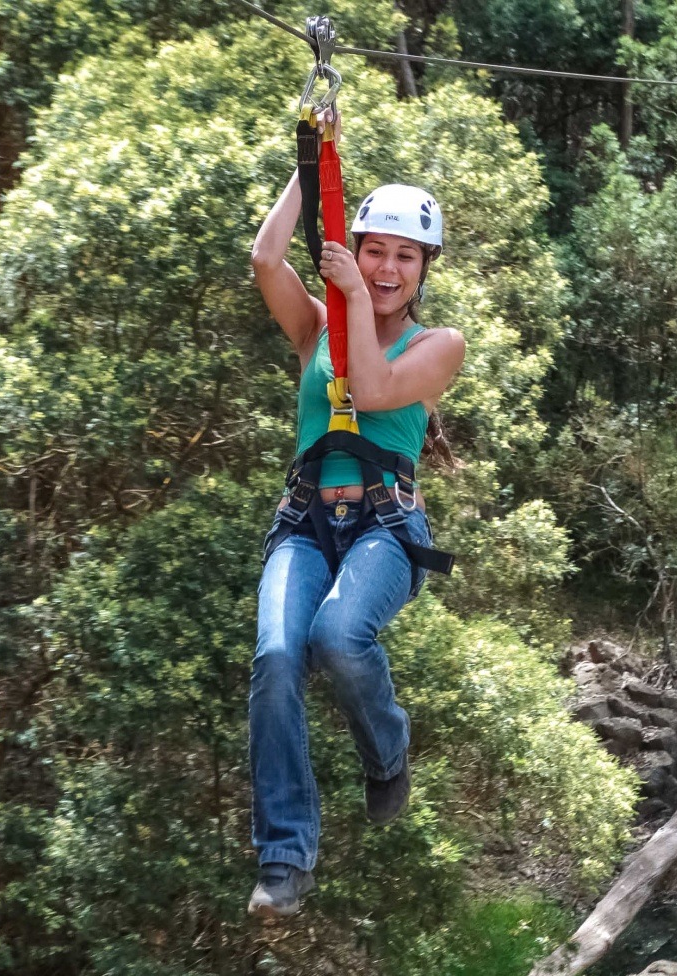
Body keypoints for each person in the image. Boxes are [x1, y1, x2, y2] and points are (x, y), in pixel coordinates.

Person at [246, 109, 466, 919]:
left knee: (337, 637)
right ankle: (284, 859)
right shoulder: (315, 327)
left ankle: (388, 752)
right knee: (277, 656)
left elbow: (370, 392)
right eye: (374, 250)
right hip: (305, 522)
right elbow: (265, 259)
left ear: (424, 268)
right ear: (353, 249)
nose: (386, 267)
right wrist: (313, 164)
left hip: (386, 528)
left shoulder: (438, 345)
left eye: (405, 256)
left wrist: (349, 298)